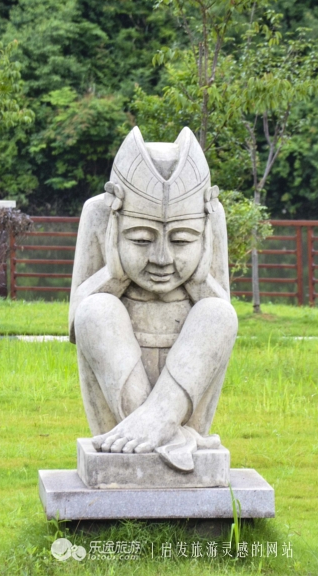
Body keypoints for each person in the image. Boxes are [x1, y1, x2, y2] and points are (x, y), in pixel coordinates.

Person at [69, 126, 238, 472]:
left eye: (181, 241)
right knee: (95, 310)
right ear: (117, 220)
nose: (162, 258)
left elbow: (222, 311)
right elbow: (76, 319)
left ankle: (162, 420)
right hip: (120, 396)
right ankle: (165, 434)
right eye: (142, 240)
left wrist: (200, 276)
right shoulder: (99, 214)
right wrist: (114, 275)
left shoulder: (211, 215)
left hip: (186, 396)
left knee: (218, 314)